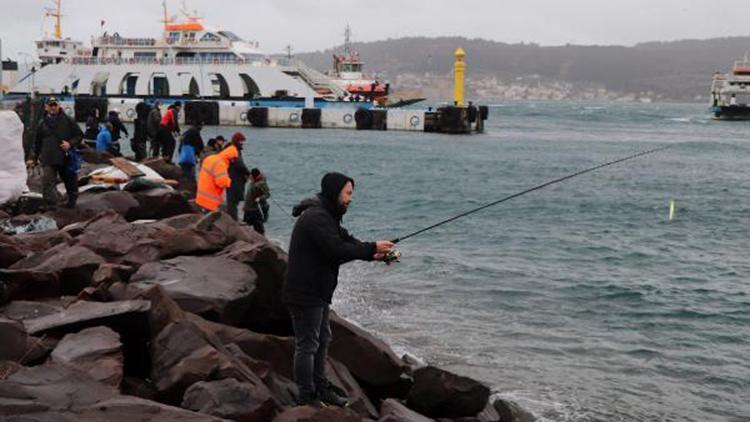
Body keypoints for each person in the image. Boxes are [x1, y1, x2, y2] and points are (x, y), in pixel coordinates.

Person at [282, 172, 394, 406]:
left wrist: (373, 254)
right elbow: (336, 250)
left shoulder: (328, 216)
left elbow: (347, 241)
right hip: (305, 293)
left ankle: (320, 387)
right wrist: (371, 247)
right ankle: (306, 396)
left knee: (323, 339)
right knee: (308, 344)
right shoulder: (317, 218)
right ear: (335, 192)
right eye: (348, 193)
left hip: (318, 291)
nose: (351, 198)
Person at [30, 96, 83, 209]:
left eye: (55, 105)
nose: (53, 107)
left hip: (65, 157)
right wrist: (33, 159)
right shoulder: (41, 123)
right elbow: (37, 143)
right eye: (50, 105)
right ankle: (52, 206)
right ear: (46, 107)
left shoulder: (69, 120)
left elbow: (79, 135)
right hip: (48, 159)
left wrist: (70, 144)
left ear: (59, 106)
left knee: (70, 182)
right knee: (48, 183)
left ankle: (72, 203)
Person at [195, 141, 239, 213]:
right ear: (231, 158)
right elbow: (222, 183)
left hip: (201, 197)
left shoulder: (211, 158)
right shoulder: (221, 164)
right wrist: (229, 180)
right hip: (210, 200)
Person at [225, 132, 249, 220]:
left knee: (233, 201)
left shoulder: (231, 149)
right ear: (237, 141)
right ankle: (233, 220)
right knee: (233, 201)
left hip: (232, 178)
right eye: (241, 141)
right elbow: (240, 165)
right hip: (233, 179)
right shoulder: (234, 150)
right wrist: (248, 173)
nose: (243, 143)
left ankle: (232, 219)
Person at [178, 123, 205, 195]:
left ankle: (183, 189)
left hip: (183, 157)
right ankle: (192, 191)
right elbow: (200, 145)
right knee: (191, 175)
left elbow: (180, 148)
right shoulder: (195, 132)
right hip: (189, 158)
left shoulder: (186, 133)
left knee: (184, 174)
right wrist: (199, 154)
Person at [242, 168, 271, 234]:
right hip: (248, 208)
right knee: (245, 227)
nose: (250, 177)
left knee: (259, 228)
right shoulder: (253, 182)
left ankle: (263, 240)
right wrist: (244, 206)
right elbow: (248, 196)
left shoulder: (261, 184)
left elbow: (267, 194)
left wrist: (259, 198)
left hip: (255, 209)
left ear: (253, 176)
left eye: (251, 176)